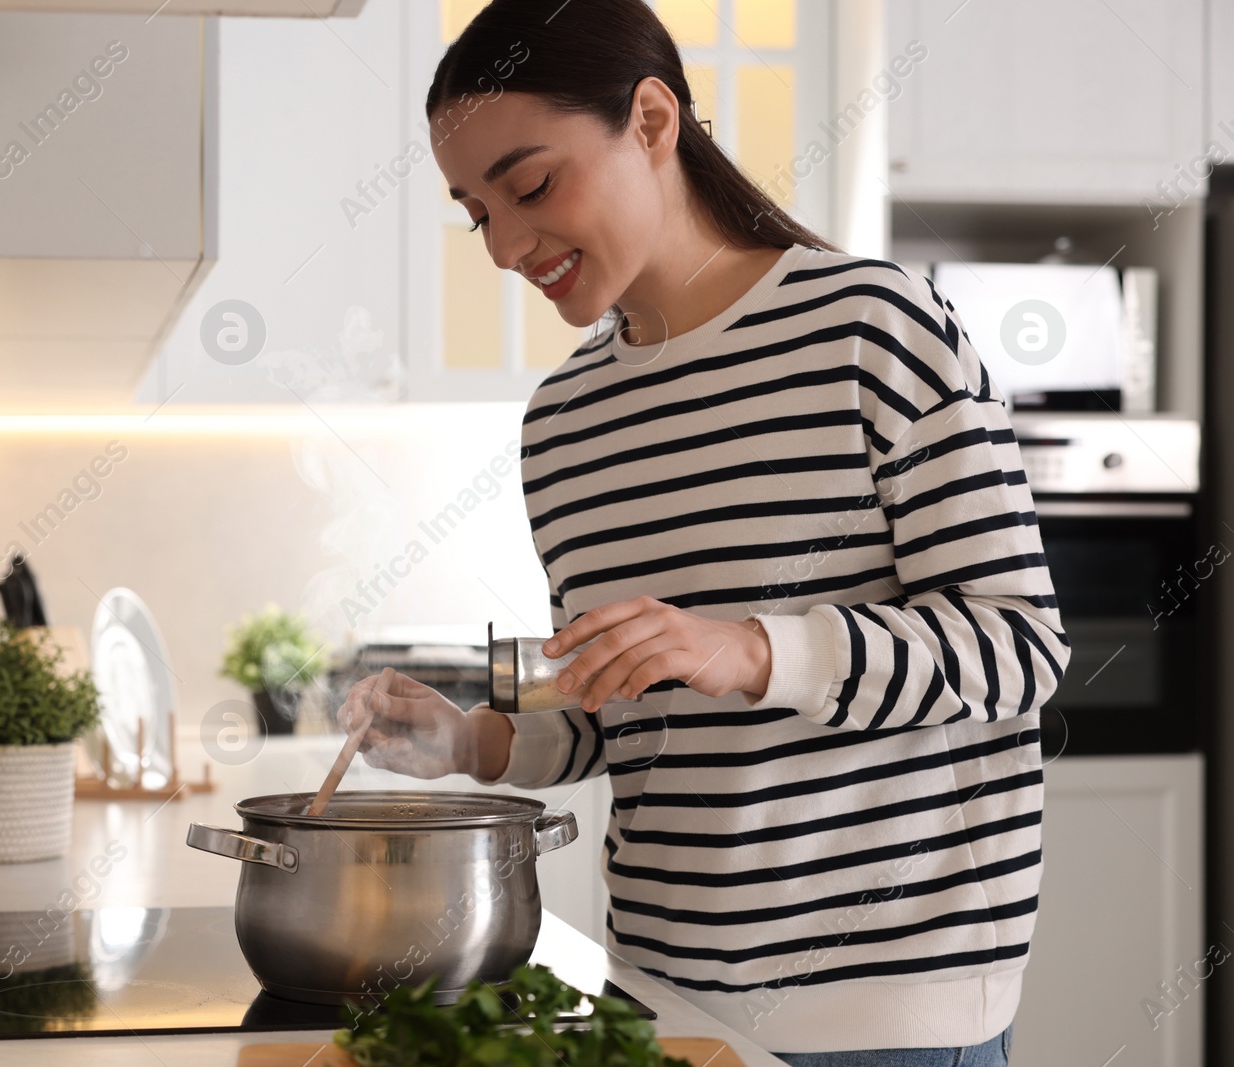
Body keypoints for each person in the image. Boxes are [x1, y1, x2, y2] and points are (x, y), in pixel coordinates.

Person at [339, 1, 1069, 1063]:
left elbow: (1019, 647)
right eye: (475, 213)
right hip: (665, 1002)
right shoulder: (564, 420)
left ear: (649, 119)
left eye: (531, 186)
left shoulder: (875, 327)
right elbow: (614, 703)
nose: (504, 246)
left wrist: (752, 646)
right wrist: (472, 738)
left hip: (887, 1015)